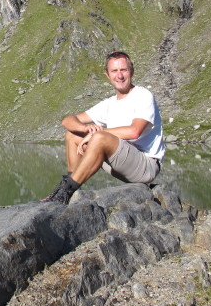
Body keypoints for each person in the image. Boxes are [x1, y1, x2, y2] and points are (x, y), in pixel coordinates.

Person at [42, 51, 165, 204]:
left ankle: (64, 193)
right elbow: (68, 121)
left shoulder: (143, 95)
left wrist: (96, 134)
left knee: (100, 137)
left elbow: (134, 131)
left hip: (145, 166)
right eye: (114, 71)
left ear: (131, 72)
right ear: (107, 75)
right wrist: (87, 130)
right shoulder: (109, 104)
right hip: (122, 161)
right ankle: (69, 190)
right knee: (72, 135)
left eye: (123, 70)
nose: (119, 76)